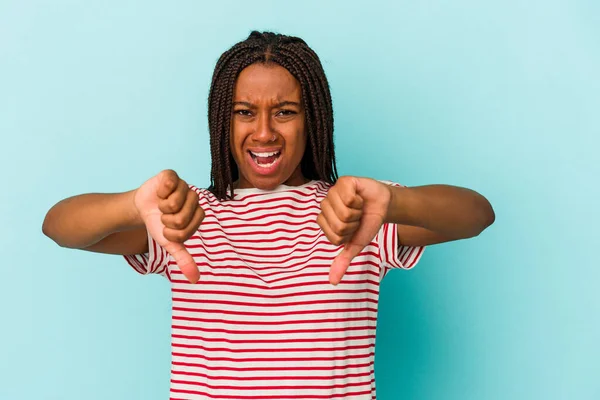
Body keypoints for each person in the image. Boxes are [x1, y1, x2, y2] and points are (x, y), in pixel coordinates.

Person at [43, 31, 495, 400]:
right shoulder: (184, 215)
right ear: (224, 120)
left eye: (284, 112)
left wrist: (398, 202)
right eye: (244, 112)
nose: (263, 132)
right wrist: (130, 205)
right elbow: (59, 227)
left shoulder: (357, 209)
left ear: (311, 119)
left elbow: (477, 214)